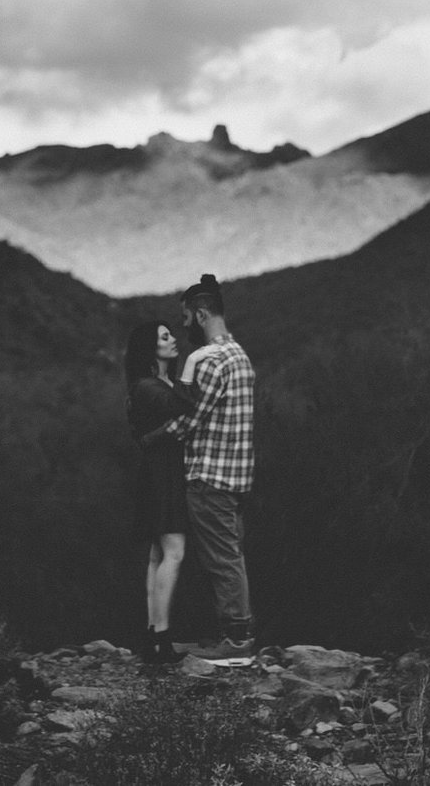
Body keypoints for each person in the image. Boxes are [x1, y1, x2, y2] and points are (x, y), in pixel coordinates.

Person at [152, 273, 256, 659]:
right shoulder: (239, 355)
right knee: (227, 554)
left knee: (221, 559)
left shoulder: (212, 361)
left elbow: (190, 419)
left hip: (211, 477)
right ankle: (230, 633)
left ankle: (238, 639)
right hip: (234, 477)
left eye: (184, 318)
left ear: (199, 315)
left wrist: (156, 435)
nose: (182, 326)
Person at [124, 320, 200, 666]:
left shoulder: (155, 384)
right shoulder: (146, 386)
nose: (173, 340)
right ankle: (160, 637)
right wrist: (193, 367)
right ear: (150, 348)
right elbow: (184, 405)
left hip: (162, 471)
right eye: (165, 336)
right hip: (161, 473)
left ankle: (155, 635)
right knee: (174, 551)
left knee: (158, 555)